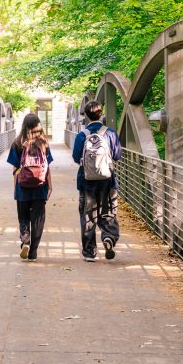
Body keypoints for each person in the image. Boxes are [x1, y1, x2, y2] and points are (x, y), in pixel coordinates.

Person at [71, 100, 122, 262]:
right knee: (108, 211)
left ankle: (89, 252)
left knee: (87, 215)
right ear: (102, 114)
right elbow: (117, 155)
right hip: (108, 181)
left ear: (86, 115)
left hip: (86, 182)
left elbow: (75, 157)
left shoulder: (82, 135)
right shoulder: (110, 133)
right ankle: (109, 237)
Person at [7, 113, 54, 262]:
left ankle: (25, 240)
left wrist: (16, 188)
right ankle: (33, 253)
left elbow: (15, 168)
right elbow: (47, 167)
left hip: (23, 187)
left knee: (23, 218)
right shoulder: (43, 143)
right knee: (38, 220)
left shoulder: (18, 142)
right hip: (40, 187)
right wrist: (50, 185)